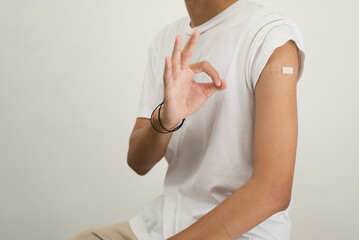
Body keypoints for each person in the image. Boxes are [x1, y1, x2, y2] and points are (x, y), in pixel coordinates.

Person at [67, 0, 305, 239]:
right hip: (162, 223)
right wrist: (165, 121)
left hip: (244, 232)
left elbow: (272, 191)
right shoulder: (166, 40)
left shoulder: (270, 36)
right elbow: (138, 162)